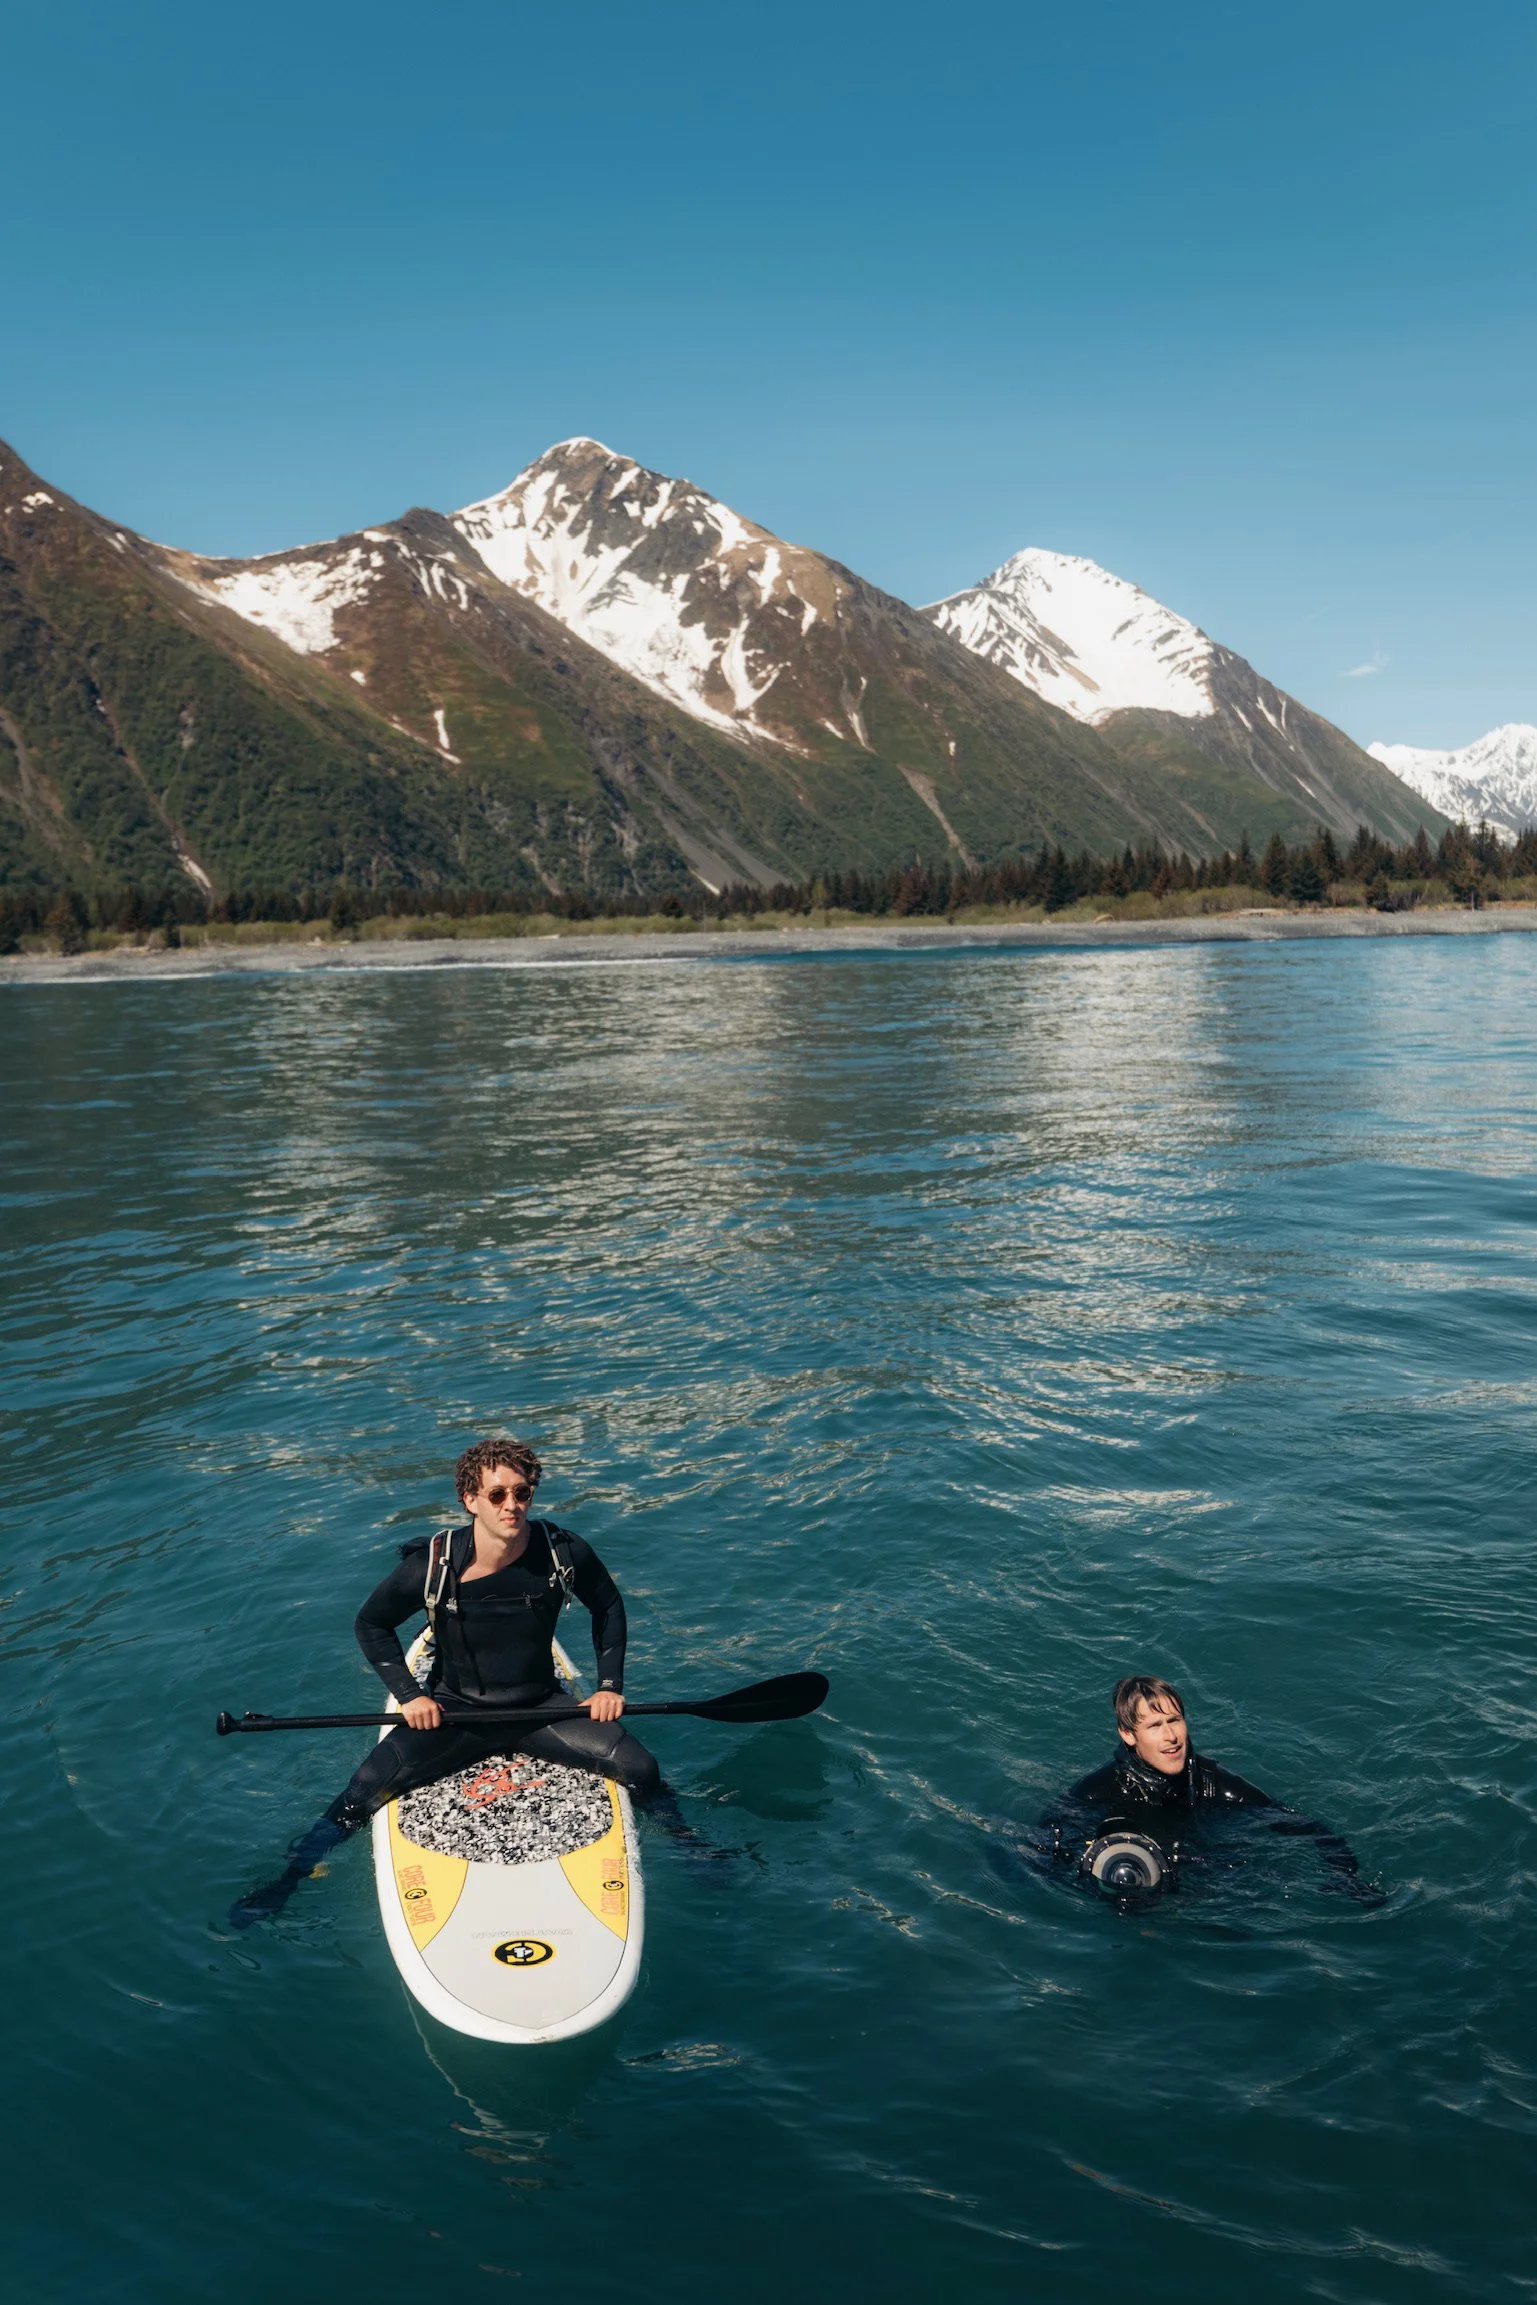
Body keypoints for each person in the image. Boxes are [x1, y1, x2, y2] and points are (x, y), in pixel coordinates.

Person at [230, 1434, 668, 1927]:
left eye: (522, 1493)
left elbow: (608, 1607)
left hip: (542, 1709)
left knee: (640, 1766)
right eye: (498, 1495)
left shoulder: (562, 1551)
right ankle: (286, 1882)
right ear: (471, 1500)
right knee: (363, 1789)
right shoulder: (433, 1565)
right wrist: (410, 1696)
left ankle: (692, 1846)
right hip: (456, 1714)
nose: (512, 1506)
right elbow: (371, 1625)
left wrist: (609, 1685)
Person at [1035, 1674, 1376, 1901]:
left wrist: (1345, 1876)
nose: (1171, 1737)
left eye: (1175, 1720)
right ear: (1128, 1735)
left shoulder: (1210, 1781)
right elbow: (1043, 1843)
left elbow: (1303, 1828)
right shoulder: (1101, 1788)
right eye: (1155, 1725)